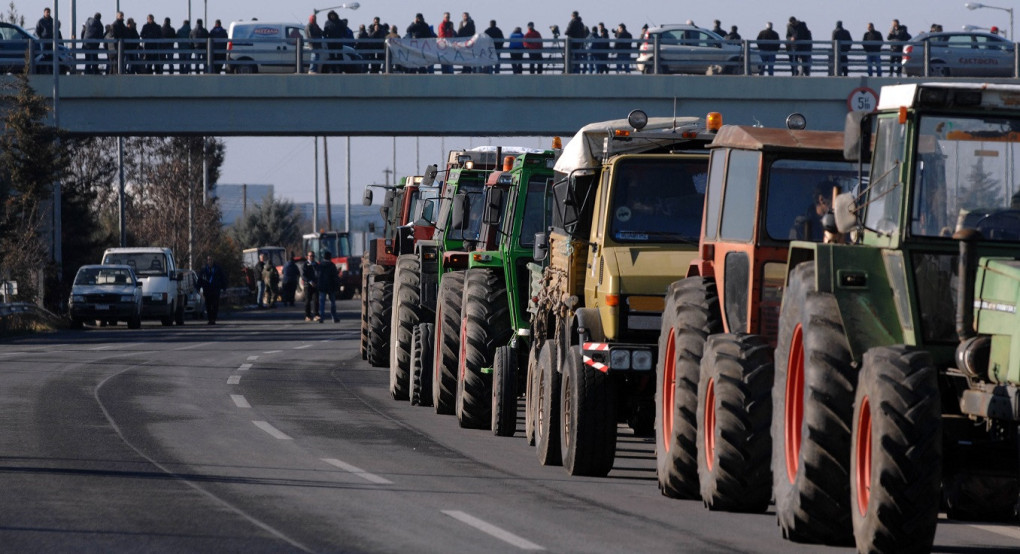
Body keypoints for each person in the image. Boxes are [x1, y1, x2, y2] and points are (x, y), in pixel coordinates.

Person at [198, 255, 227, 324]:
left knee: (215, 305)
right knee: (208, 305)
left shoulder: (218, 269)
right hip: (207, 289)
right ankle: (210, 318)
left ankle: (213, 318)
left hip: (215, 289)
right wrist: (198, 287)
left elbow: (223, 278)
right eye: (208, 260)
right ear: (207, 261)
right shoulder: (204, 269)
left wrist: (224, 287)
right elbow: (200, 279)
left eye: (211, 260)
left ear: (213, 260)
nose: (210, 261)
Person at [317, 251, 339, 323]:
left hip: (322, 286)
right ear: (330, 257)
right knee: (332, 303)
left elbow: (318, 276)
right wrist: (337, 286)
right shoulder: (332, 265)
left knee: (322, 303)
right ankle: (334, 317)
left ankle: (322, 317)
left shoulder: (320, 265)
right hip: (331, 286)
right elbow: (335, 277)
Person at [301, 251, 320, 321]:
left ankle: (316, 314)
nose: (312, 257)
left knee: (316, 300)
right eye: (310, 256)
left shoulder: (316, 265)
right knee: (307, 301)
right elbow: (303, 275)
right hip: (307, 285)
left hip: (315, 285)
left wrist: (317, 281)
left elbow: (319, 273)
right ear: (307, 257)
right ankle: (308, 315)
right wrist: (310, 281)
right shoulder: (305, 265)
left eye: (313, 256)